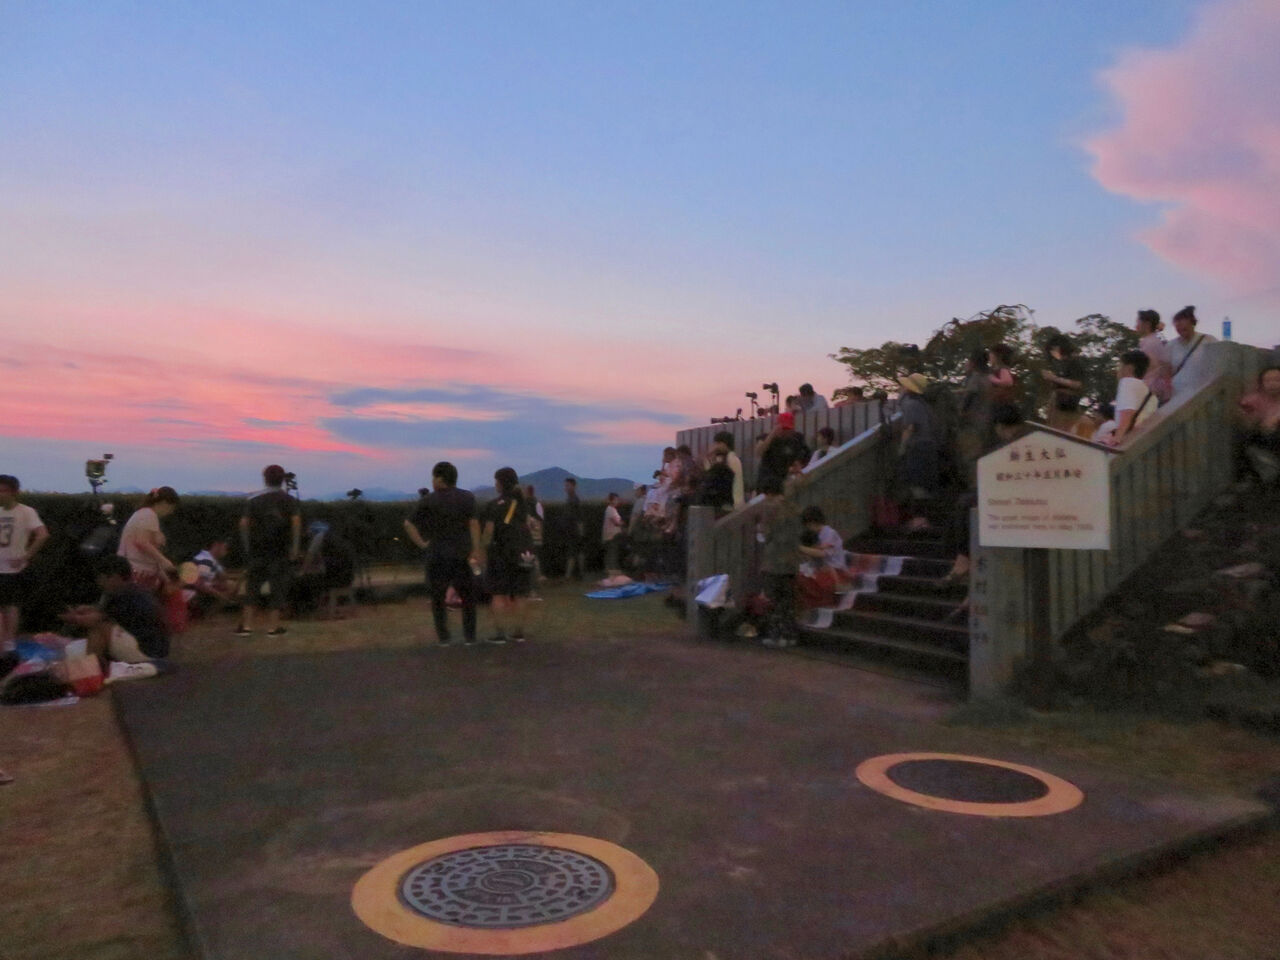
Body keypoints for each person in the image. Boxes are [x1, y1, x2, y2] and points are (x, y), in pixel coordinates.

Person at [403, 461, 481, 646]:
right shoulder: (467, 497)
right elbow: (474, 524)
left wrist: (422, 543)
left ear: (439, 478)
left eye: (433, 477)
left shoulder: (429, 500)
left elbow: (408, 524)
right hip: (462, 554)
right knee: (468, 597)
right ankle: (470, 636)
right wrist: (476, 548)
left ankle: (444, 637)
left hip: (437, 554)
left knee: (438, 598)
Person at [60, 555, 168, 683]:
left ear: (114, 577)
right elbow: (105, 613)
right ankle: (92, 671)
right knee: (85, 640)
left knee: (99, 628)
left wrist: (73, 618)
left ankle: (89, 676)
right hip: (150, 647)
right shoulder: (134, 591)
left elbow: (96, 620)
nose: (100, 583)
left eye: (103, 579)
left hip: (147, 653)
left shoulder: (123, 594)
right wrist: (85, 611)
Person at [238, 465, 301, 637]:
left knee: (252, 588)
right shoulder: (289, 500)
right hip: (280, 551)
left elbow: (244, 524)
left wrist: (247, 546)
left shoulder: (253, 500)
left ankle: (247, 626)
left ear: (265, 478)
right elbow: (295, 524)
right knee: (277, 589)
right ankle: (273, 628)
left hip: (257, 551)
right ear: (282, 480)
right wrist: (294, 548)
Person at [481, 467, 534, 644]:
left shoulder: (493, 506)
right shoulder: (523, 504)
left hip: (500, 553)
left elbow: (489, 532)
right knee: (520, 593)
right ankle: (518, 632)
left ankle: (499, 633)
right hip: (523, 553)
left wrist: (481, 549)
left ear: (501, 483)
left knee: (498, 592)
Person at [0, 475, 49, 651]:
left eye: (3, 490)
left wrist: (26, 556)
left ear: (14, 493)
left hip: (12, 568)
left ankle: (9, 642)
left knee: (11, 605)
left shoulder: (25, 512)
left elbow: (42, 534)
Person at [757, 477, 800, 648]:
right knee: (788, 601)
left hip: (774, 559)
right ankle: (789, 636)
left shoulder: (769, 507)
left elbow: (765, 533)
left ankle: (775, 636)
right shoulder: (793, 507)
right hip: (791, 559)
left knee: (773, 600)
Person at [895, 373, 941, 529]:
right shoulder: (925, 405)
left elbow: (909, 428)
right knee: (924, 484)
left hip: (918, 447)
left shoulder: (910, 404)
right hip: (929, 447)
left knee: (917, 484)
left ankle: (920, 520)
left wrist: (901, 448)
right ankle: (923, 519)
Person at [118, 487, 179, 593]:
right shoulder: (149, 515)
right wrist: (164, 561)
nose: (171, 512)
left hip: (136, 571)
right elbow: (142, 542)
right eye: (171, 508)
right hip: (138, 572)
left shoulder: (142, 514)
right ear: (164, 503)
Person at [1099, 350, 1155, 446]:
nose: (1118, 370)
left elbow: (1127, 412)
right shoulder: (1147, 391)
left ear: (1129, 368)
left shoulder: (1127, 382)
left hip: (1127, 441)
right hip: (1140, 440)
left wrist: (1116, 438)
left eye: (1120, 366)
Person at [956, 349, 993, 489]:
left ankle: (975, 489)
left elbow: (970, 395)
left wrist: (961, 412)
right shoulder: (989, 376)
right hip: (988, 420)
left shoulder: (975, 377)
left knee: (972, 457)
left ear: (973, 363)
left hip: (974, 422)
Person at [1238, 366, 1280, 486]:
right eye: (1268, 381)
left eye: (1277, 380)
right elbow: (1244, 421)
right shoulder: (1254, 399)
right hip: (1262, 439)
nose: (1273, 384)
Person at [1040, 334, 1086, 432]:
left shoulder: (1074, 362)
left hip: (1066, 403)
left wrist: (1053, 378)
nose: (1052, 353)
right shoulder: (1061, 364)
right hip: (1057, 401)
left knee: (1060, 432)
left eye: (1052, 349)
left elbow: (1077, 384)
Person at [182, 537, 236, 617]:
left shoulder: (211, 559)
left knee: (230, 585)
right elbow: (200, 584)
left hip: (196, 590)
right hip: (191, 593)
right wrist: (221, 596)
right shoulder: (205, 560)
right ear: (216, 545)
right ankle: (204, 615)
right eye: (225, 547)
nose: (226, 551)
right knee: (229, 586)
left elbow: (222, 576)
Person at [756, 412, 810, 492]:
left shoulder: (795, 440)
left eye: (788, 429)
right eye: (784, 428)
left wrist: (797, 468)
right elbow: (759, 452)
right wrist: (772, 435)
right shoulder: (767, 438)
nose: (786, 432)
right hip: (765, 483)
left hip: (781, 484)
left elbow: (800, 458)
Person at [1169, 305, 1216, 393]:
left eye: (1184, 328)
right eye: (1177, 327)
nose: (1180, 330)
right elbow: (1167, 372)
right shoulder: (1170, 345)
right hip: (1177, 394)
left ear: (1192, 323)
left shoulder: (1208, 340)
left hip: (1201, 392)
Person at [1135, 309, 1173, 406]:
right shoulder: (1153, 341)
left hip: (1154, 391)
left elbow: (1150, 369)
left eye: (1138, 322)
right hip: (1157, 390)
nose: (1136, 326)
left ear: (1147, 324)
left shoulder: (1150, 343)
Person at [703, 431, 745, 510]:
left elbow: (716, 475)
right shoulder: (724, 459)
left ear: (725, 444)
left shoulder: (732, 459)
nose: (715, 446)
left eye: (718, 443)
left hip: (732, 504)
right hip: (729, 503)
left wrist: (710, 455)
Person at [561, 476, 586, 580]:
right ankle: (580, 572)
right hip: (572, 529)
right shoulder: (572, 499)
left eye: (567, 485)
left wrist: (580, 530)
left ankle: (569, 575)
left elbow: (578, 517)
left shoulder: (573, 500)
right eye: (565, 486)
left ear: (573, 486)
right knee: (577, 552)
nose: (565, 488)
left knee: (573, 552)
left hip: (573, 530)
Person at [602, 492, 624, 575]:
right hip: (612, 536)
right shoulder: (611, 510)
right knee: (612, 554)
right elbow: (617, 522)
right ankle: (612, 572)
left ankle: (609, 571)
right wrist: (623, 523)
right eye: (616, 500)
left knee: (610, 554)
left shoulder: (610, 509)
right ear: (611, 500)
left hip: (609, 536)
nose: (617, 501)